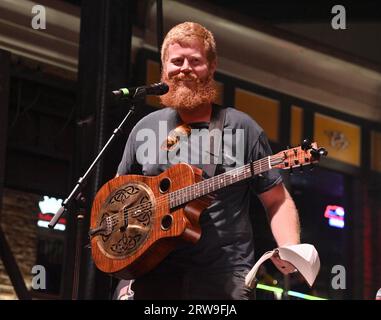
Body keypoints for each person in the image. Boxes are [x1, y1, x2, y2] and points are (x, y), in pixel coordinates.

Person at [115, 21, 300, 300]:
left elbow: (276, 198)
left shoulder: (241, 127)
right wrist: (125, 271)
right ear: (164, 69)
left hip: (222, 277)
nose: (185, 68)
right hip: (153, 274)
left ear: (212, 67)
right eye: (176, 61)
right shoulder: (144, 128)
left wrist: (289, 246)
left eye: (195, 61)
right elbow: (120, 198)